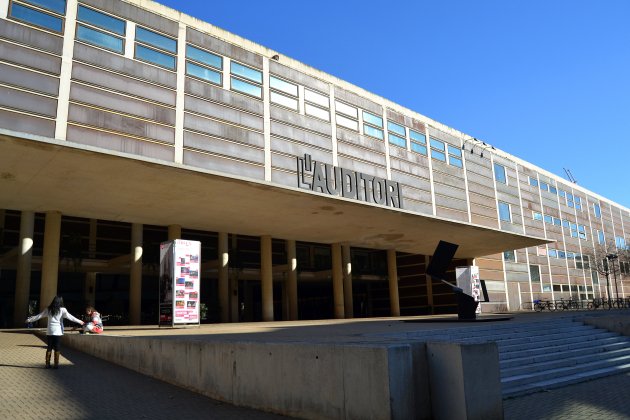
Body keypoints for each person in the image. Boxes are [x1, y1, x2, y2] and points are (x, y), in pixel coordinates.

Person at [26, 295, 84, 369]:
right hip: (57, 331)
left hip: (50, 331)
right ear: (61, 302)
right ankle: (56, 365)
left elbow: (39, 316)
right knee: (57, 348)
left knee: (49, 347)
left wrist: (29, 320)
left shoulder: (49, 309)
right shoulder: (63, 310)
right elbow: (71, 317)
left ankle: (47, 364)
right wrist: (80, 321)